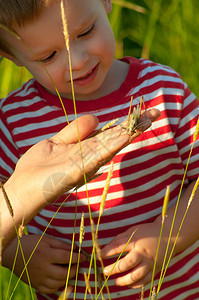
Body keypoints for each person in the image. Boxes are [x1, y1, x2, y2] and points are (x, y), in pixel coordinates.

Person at [0, 0, 198, 299]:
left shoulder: (162, 89)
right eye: (48, 56)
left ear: (105, 2)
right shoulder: (13, 120)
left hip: (179, 289)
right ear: (9, 54)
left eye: (86, 31)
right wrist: (17, 253)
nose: (77, 60)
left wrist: (168, 236)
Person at [0, 113, 156, 249]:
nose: (72, 76)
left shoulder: (160, 87)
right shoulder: (8, 119)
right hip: (68, 276)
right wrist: (15, 250)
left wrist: (169, 234)